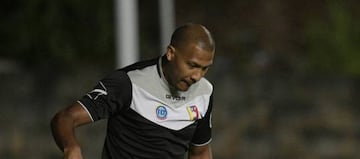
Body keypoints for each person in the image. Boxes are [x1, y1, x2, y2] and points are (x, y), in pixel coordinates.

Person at [51, 23, 216, 159]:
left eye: (204, 69)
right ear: (171, 53)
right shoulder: (128, 83)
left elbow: (200, 153)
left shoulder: (204, 93)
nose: (197, 76)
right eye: (192, 65)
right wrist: (71, 148)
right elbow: (65, 118)